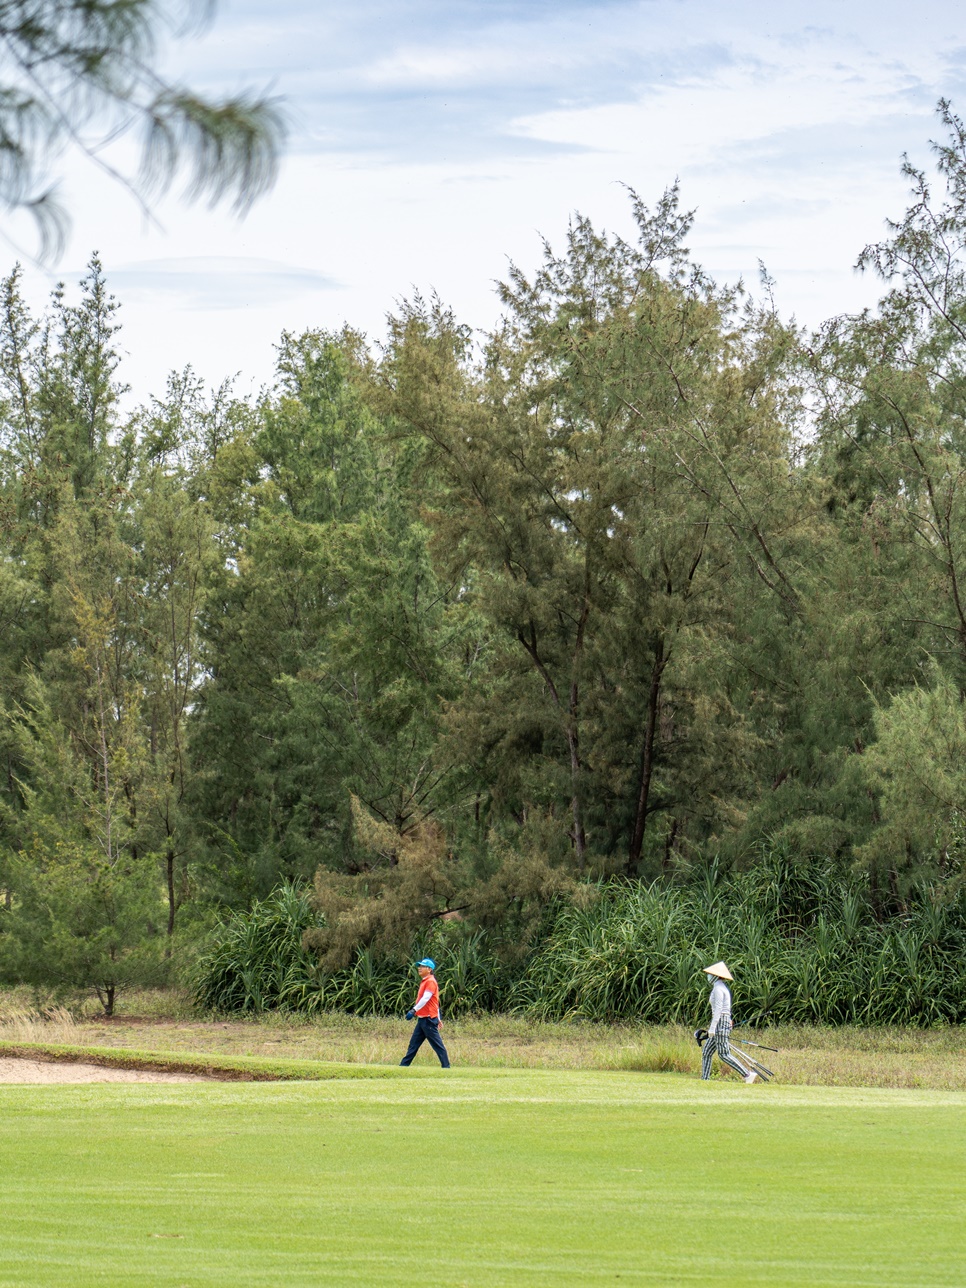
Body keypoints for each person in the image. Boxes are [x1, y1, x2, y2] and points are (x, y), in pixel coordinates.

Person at [701, 961, 757, 1083]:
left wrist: (712, 1028)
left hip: (720, 1021)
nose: (708, 976)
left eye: (710, 974)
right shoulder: (719, 987)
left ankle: (747, 1074)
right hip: (722, 1021)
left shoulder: (719, 989)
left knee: (723, 1054)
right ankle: (705, 1079)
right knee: (706, 1052)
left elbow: (719, 1010)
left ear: (716, 976)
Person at [399, 958, 450, 1068]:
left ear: (429, 969)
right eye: (419, 966)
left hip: (428, 1019)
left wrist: (413, 1010)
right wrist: (439, 1017)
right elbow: (435, 1002)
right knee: (413, 1045)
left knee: (437, 1045)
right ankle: (403, 1066)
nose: (419, 968)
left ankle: (446, 1067)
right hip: (423, 1019)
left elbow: (426, 998)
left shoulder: (430, 981)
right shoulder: (426, 981)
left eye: (422, 966)